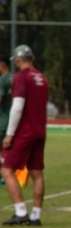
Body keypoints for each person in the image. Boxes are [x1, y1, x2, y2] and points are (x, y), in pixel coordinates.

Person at [1, 44, 48, 226]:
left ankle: (20, 211)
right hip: (40, 130)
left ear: (19, 60)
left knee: (6, 170)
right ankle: (36, 215)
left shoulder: (22, 77)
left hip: (25, 131)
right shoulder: (41, 77)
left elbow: (18, 107)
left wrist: (10, 134)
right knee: (37, 172)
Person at [0, 58, 11, 187]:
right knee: (6, 149)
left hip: (2, 119)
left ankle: (4, 176)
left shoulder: (2, 80)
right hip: (12, 120)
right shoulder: (15, 78)